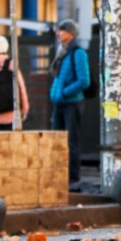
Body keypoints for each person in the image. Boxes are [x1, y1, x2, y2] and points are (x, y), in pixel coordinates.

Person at [50, 20, 90, 186]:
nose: (58, 33)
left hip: (72, 103)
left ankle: (73, 176)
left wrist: (64, 93)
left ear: (70, 33)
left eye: (61, 30)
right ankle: (59, 174)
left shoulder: (77, 53)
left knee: (71, 140)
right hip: (60, 103)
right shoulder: (63, 52)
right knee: (57, 140)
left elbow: (84, 80)